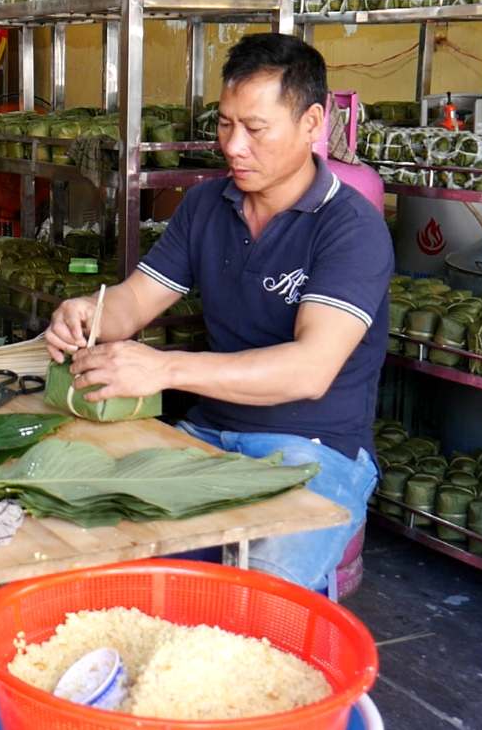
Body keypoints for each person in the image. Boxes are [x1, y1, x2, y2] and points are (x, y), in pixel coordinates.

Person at [44, 33, 392, 594]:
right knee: (107, 565)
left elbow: (310, 369)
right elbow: (134, 302)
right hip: (208, 432)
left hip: (315, 449)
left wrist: (165, 369)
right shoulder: (209, 203)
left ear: (311, 124)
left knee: (255, 602)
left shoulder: (351, 228)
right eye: (225, 124)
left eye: (255, 129)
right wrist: (89, 311)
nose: (233, 146)